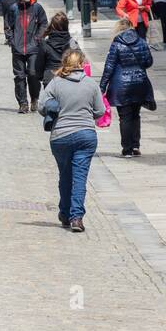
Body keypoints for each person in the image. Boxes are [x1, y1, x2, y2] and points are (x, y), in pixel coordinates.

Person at [36, 47, 101, 232]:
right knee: (79, 177)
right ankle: (76, 218)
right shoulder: (90, 84)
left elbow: (41, 107)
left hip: (61, 136)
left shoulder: (56, 83)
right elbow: (100, 111)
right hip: (86, 135)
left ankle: (65, 214)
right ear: (81, 63)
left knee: (65, 175)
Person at [100, 18, 156, 158]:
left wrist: (102, 87)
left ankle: (127, 149)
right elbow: (148, 62)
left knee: (124, 117)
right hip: (139, 83)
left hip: (121, 86)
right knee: (136, 115)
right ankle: (136, 146)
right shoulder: (142, 42)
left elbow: (109, 67)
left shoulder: (116, 44)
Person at [7, 0, 48, 113]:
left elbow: (44, 24)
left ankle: (34, 98)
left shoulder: (37, 8)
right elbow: (8, 26)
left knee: (33, 74)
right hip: (18, 48)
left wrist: (38, 38)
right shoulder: (13, 8)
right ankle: (23, 103)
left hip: (33, 47)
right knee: (19, 76)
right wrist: (11, 40)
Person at [39, 11, 74, 85]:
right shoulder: (72, 43)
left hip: (50, 79)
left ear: (52, 26)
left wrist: (41, 76)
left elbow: (39, 64)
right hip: (68, 78)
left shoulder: (45, 44)